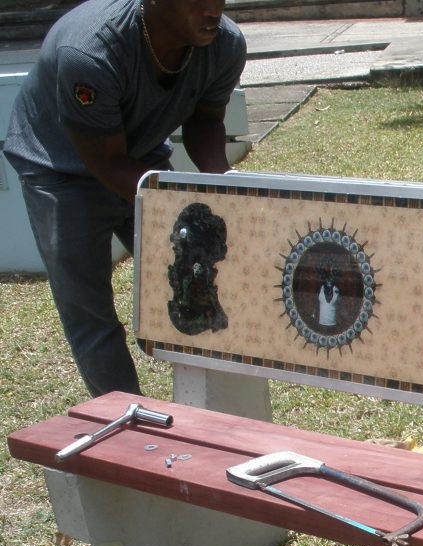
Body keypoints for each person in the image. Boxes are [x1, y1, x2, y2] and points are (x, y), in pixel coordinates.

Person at [3, 0, 246, 396]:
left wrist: (224, 184)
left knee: (197, 277)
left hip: (140, 153)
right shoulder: (90, 53)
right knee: (88, 308)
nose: (212, 9)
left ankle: (207, 404)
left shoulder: (225, 43)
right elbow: (107, 162)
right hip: (60, 169)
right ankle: (129, 418)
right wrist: (178, 208)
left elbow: (205, 119)